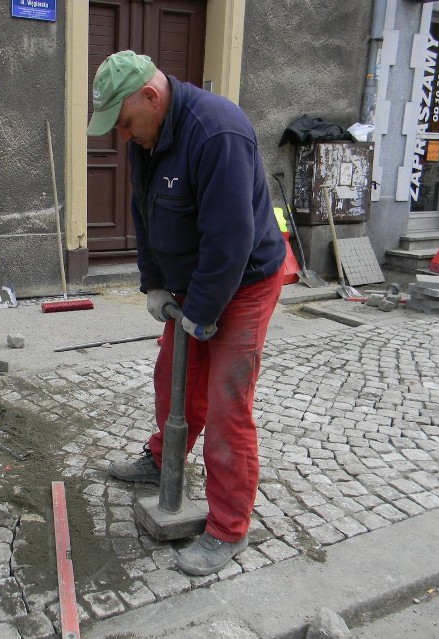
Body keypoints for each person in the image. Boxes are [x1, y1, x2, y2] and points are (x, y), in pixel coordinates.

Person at [87, 51, 286, 576]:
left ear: (151, 97)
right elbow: (145, 215)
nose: (124, 137)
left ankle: (228, 529)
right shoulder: (147, 138)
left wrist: (201, 312)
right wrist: (154, 284)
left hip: (242, 282)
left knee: (226, 404)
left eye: (125, 122)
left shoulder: (218, 134)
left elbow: (231, 240)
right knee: (171, 377)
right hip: (193, 282)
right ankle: (163, 460)